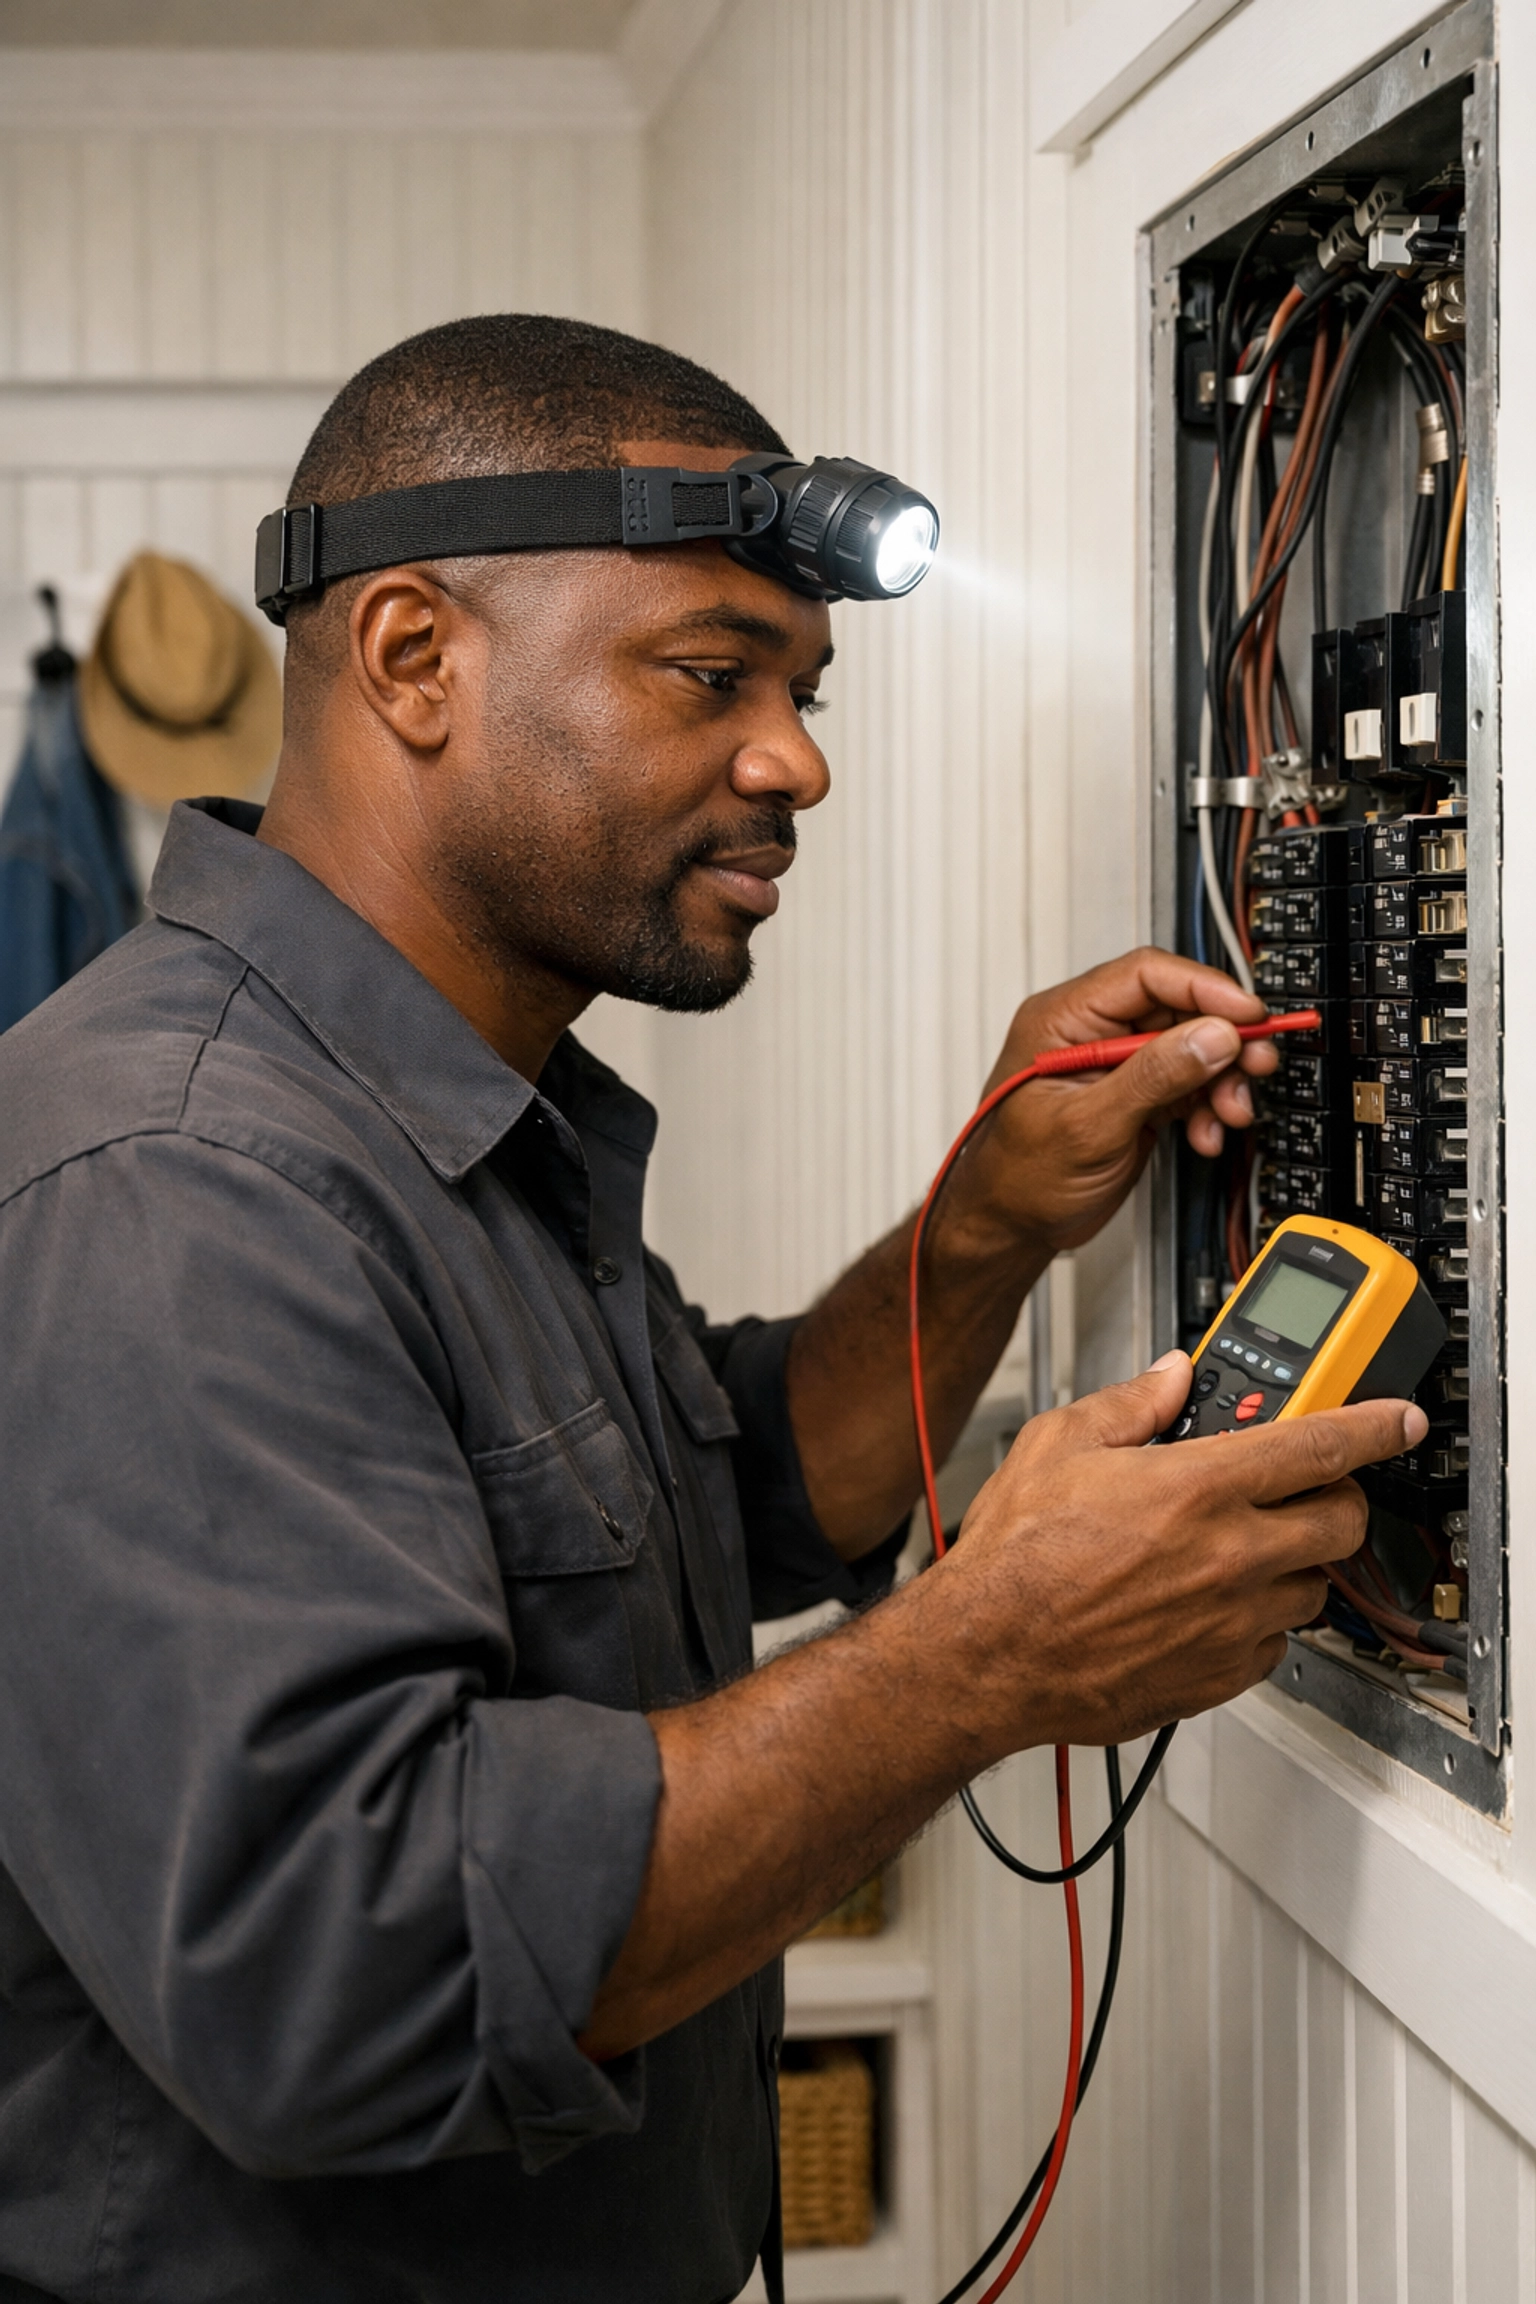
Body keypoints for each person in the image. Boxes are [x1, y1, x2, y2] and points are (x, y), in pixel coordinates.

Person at [0, 316, 1421, 2304]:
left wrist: (987, 1224)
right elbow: (348, 1966)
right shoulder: (174, 1176)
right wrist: (988, 1654)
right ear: (414, 659)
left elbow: (725, 1497)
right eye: (711, 678)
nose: (798, 761)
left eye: (807, 686)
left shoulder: (461, 1118)